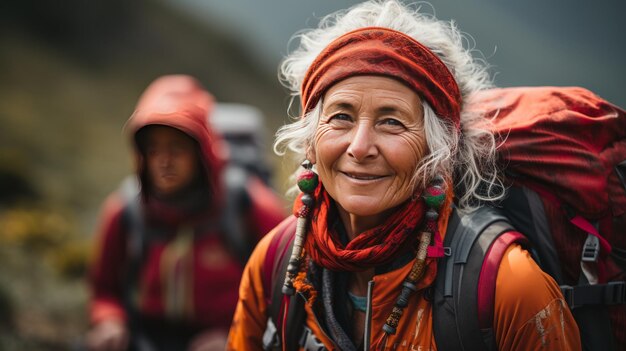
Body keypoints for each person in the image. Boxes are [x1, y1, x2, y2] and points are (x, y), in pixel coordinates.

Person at [227, 1, 582, 350]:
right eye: (341, 117)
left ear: (439, 148)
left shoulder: (507, 286)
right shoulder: (275, 260)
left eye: (392, 121)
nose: (360, 147)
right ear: (310, 142)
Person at [86, 75, 286, 351]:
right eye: (153, 150)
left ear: (202, 152)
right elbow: (105, 289)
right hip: (146, 335)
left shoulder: (247, 204)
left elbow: (287, 289)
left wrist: (238, 335)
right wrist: (110, 321)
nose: (164, 161)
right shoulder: (125, 210)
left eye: (176, 148)